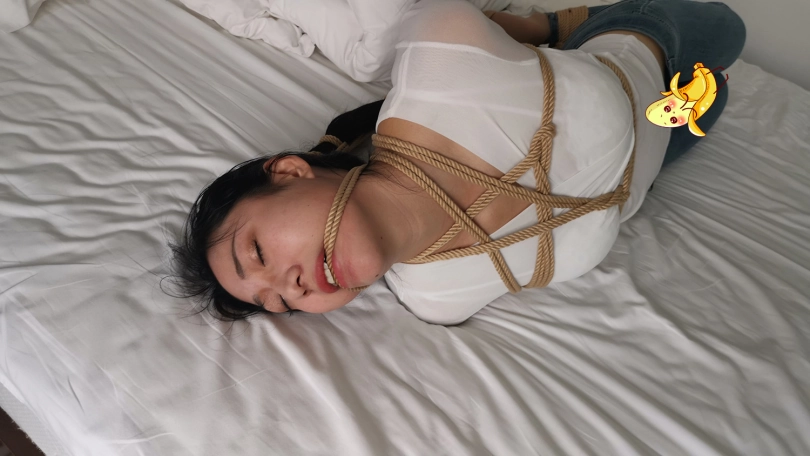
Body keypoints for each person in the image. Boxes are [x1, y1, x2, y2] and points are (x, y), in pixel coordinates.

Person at [170, 0, 746, 325]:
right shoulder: (437, 297)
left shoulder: (443, 54)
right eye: (279, 304)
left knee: (729, 30)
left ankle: (549, 27)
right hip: (662, 141)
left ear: (289, 172)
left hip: (637, 46)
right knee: (717, 93)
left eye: (259, 253)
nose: (291, 286)